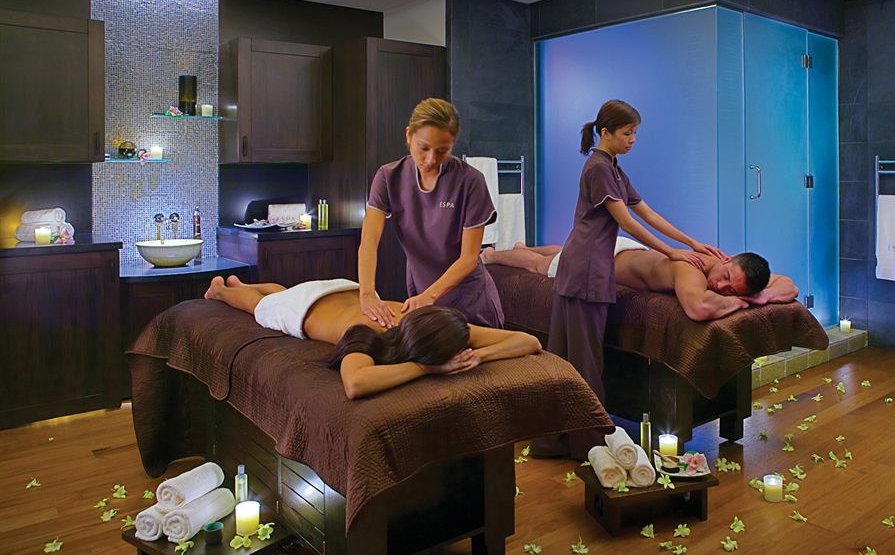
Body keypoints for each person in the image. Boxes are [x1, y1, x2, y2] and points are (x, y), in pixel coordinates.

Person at [548, 99, 728, 406]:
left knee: (578, 354)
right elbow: (627, 223)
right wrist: (671, 253)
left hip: (589, 263)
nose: (633, 140)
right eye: (627, 133)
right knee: (583, 359)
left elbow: (648, 214)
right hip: (585, 267)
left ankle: (571, 425)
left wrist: (692, 243)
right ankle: (589, 428)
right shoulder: (599, 168)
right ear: (606, 132)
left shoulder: (614, 168)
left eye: (635, 133)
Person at [203, 275, 540, 400]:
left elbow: (529, 342)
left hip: (342, 288)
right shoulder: (365, 334)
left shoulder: (424, 319)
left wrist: (478, 356)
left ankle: (241, 283)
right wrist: (428, 369)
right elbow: (356, 384)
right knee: (260, 305)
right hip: (305, 308)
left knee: (285, 291)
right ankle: (222, 291)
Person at [359, 98, 504, 329]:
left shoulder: (470, 181)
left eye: (442, 151)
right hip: (421, 289)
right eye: (423, 148)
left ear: (452, 144)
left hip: (468, 297)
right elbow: (369, 241)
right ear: (409, 135)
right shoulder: (388, 177)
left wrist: (430, 296)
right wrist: (367, 295)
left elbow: (468, 258)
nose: (430, 160)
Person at [483, 240, 799, 321]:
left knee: (563, 250)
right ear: (728, 259)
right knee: (541, 266)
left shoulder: (730, 267)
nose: (721, 287)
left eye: (731, 289)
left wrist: (765, 296)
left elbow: (789, 285)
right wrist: (739, 302)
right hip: (599, 264)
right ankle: (492, 256)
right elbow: (699, 308)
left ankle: (521, 246)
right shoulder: (690, 269)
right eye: (725, 278)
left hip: (625, 251)